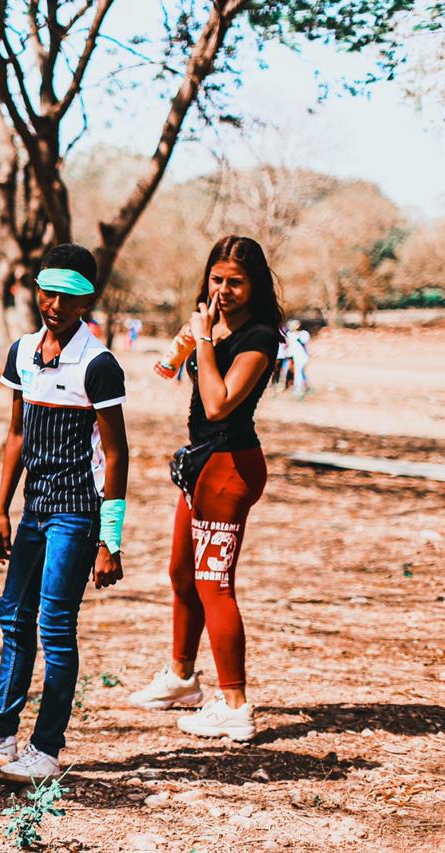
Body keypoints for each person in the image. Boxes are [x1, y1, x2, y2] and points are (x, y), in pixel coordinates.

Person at [0, 243, 128, 783]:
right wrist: (0, 510)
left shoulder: (99, 365)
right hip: (34, 510)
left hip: (76, 513)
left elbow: (116, 454)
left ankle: (46, 747)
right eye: (47, 291)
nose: (55, 303)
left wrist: (110, 538)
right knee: (13, 618)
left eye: (68, 295)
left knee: (55, 626)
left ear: (87, 299)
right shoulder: (21, 353)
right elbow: (16, 434)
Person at [128, 235, 282, 742]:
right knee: (180, 573)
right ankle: (180, 678)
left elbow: (218, 405)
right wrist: (190, 342)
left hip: (231, 468)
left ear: (255, 285)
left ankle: (235, 704)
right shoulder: (210, 325)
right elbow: (171, 370)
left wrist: (208, 340)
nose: (224, 290)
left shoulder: (259, 338)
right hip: (201, 465)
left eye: (236, 282)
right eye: (217, 280)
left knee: (214, 584)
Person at [285, 319, 310, 398]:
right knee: (298, 373)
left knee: (299, 373)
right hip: (294, 357)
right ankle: (302, 388)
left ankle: (298, 390)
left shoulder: (304, 334)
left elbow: (304, 341)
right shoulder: (289, 334)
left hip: (302, 357)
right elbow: (288, 345)